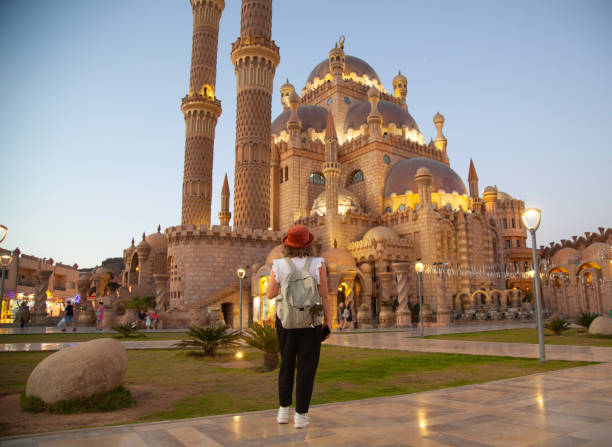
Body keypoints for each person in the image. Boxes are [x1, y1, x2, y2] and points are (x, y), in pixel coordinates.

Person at [267, 225, 332, 429]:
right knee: (307, 367)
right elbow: (324, 294)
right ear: (308, 244)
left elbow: (269, 294)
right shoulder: (317, 263)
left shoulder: (278, 264)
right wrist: (328, 321)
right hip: (311, 321)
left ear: (287, 245)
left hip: (285, 321)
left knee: (286, 364)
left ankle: (283, 412)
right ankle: (301, 415)